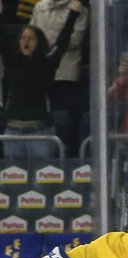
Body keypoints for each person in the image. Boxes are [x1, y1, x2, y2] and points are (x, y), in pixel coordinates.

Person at [0, 0, 82, 162]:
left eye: (31, 38)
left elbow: (62, 42)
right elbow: (2, 38)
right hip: (13, 131)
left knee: (44, 181)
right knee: (13, 181)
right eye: (23, 38)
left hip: (40, 131)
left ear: (39, 42)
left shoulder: (47, 64)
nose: (26, 41)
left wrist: (73, 15)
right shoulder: (12, 61)